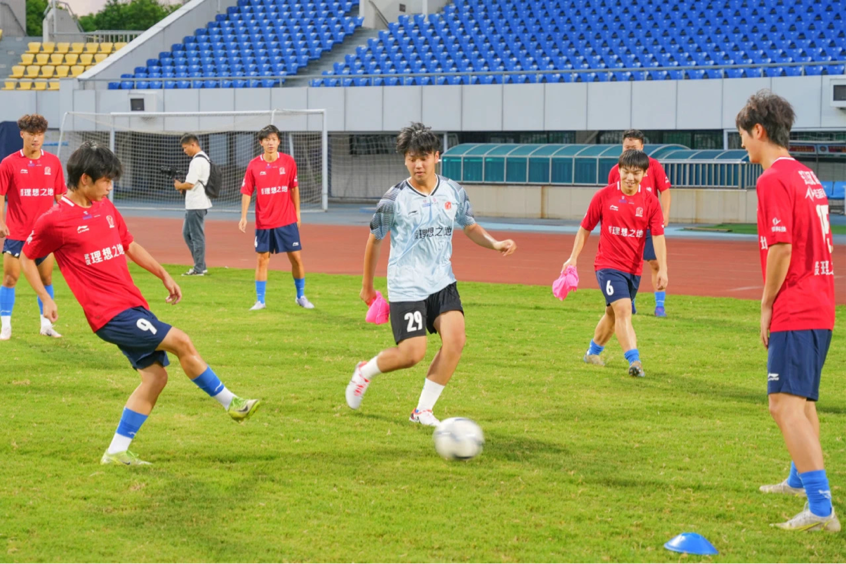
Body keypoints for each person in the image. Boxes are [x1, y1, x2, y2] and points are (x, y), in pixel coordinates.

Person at [20, 142, 261, 466]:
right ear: (85, 179)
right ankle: (233, 403)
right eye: (106, 180)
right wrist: (45, 297)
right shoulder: (55, 220)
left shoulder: (105, 207)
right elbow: (27, 256)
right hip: (109, 315)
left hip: (132, 305)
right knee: (181, 340)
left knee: (155, 378)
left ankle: (116, 451)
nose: (110, 186)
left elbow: (129, 245)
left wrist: (163, 274)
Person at [345, 122, 517, 426]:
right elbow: (375, 239)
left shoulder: (453, 191)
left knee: (456, 341)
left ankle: (422, 411)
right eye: (411, 158)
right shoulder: (394, 199)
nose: (418, 165)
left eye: (423, 158)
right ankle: (365, 371)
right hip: (407, 285)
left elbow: (469, 226)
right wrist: (367, 287)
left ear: (437, 156)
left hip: (442, 281)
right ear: (405, 160)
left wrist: (494, 243)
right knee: (412, 354)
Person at [738, 91, 839, 532]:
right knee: (803, 400)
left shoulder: (773, 179)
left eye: (743, 136)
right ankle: (800, 481)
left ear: (759, 131)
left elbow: (781, 247)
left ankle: (821, 507)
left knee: (782, 405)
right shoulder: (806, 174)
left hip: (796, 304)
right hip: (820, 303)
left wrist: (766, 304)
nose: (742, 144)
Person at [563, 149, 667, 378]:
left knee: (612, 314)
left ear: (644, 174)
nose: (630, 177)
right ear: (618, 170)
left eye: (636, 173)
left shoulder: (650, 201)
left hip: (633, 269)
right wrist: (573, 258)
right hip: (607, 266)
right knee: (623, 309)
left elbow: (658, 236)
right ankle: (634, 360)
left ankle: (592, 353)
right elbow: (585, 228)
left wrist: (663, 268)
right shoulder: (603, 196)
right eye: (626, 172)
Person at [0, 114, 65, 340]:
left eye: (39, 134)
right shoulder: (8, 163)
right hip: (16, 233)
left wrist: (67, 222)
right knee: (10, 278)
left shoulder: (53, 163)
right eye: (31, 134)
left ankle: (46, 325)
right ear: (22, 134)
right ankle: (5, 326)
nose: (35, 138)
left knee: (46, 279)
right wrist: (1, 221)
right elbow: (1, 194)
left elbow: (60, 196)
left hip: (44, 234)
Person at [238, 125, 313, 310]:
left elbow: (294, 188)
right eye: (267, 140)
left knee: (296, 258)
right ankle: (260, 301)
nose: (270, 143)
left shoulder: (288, 162)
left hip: (286, 220)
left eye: (273, 139)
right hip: (264, 222)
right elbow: (247, 191)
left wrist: (297, 213)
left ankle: (301, 296)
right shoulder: (254, 165)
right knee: (262, 259)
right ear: (261, 143)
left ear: (279, 141)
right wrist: (243, 216)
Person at [607, 129, 672, 317]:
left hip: (649, 223)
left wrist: (665, 213)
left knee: (656, 262)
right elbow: (611, 197)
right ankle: (629, 300)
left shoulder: (653, 166)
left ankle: (659, 305)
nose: (629, 150)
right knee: (626, 265)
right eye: (626, 147)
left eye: (633, 147)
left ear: (642, 147)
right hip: (625, 226)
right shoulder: (615, 171)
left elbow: (665, 190)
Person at [173, 133, 212, 276]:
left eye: (185, 148)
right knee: (187, 234)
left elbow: (190, 184)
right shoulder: (203, 158)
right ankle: (200, 265)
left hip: (196, 204)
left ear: (193, 144)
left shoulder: (197, 161)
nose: (184, 151)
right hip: (195, 203)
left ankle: (199, 268)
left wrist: (179, 186)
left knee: (196, 236)